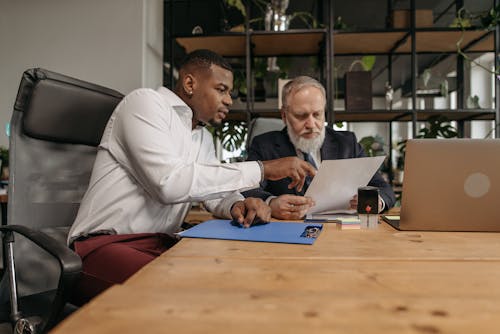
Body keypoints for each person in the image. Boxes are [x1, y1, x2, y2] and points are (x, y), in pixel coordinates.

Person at [68, 50, 316, 305]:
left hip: (164, 243)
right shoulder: (145, 104)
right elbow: (169, 184)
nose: (229, 100)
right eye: (221, 89)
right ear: (189, 84)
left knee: (239, 275)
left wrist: (237, 204)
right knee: (196, 294)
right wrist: (263, 169)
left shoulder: (202, 137)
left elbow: (214, 194)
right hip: (104, 247)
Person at [243, 76, 396, 220]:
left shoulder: (347, 143)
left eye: (317, 114)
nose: (311, 125)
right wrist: (271, 202)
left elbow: (383, 187)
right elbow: (247, 189)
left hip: (340, 231)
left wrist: (377, 200)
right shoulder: (264, 145)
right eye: (301, 116)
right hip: (288, 230)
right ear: (284, 115)